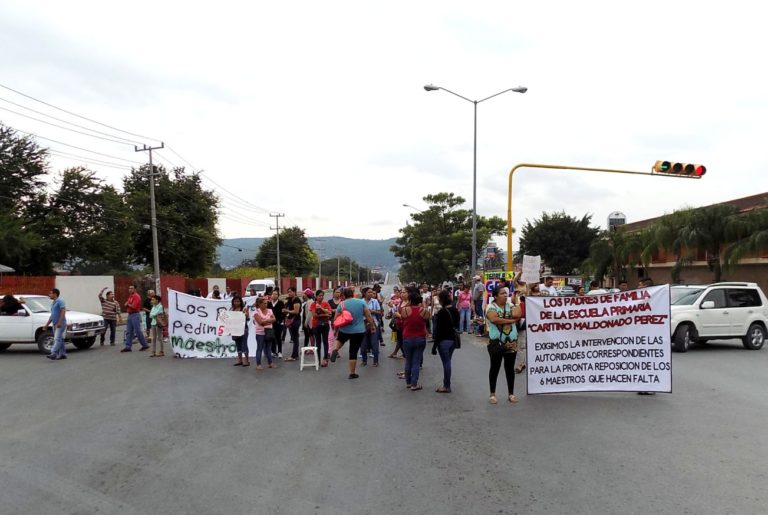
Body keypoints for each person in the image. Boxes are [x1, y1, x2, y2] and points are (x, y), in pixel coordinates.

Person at [485, 286, 521, 405]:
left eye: (506, 293)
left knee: (509, 369)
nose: (505, 295)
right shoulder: (491, 307)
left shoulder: (510, 305)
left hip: (511, 342)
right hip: (496, 343)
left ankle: (511, 393)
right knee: (495, 368)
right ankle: (492, 394)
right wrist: (511, 321)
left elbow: (518, 314)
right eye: (502, 294)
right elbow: (494, 319)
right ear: (495, 296)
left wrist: (515, 302)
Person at [330, 287, 375, 379]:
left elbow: (336, 319)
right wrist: (372, 326)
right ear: (353, 293)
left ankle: (335, 350)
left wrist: (335, 330)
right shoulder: (361, 302)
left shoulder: (341, 304)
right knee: (353, 351)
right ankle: (352, 373)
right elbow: (368, 315)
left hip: (344, 330)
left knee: (339, 340)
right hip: (359, 331)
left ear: (343, 295)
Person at [397, 286, 430, 390]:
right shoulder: (424, 311)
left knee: (408, 361)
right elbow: (427, 320)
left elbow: (402, 320)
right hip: (420, 338)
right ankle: (414, 384)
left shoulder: (405, 310)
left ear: (410, 300)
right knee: (416, 362)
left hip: (407, 338)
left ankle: (408, 382)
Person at [432, 289, 460, 393]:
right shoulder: (455, 310)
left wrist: (434, 346)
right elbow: (457, 325)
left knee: (446, 363)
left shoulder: (441, 313)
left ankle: (446, 386)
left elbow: (438, 331)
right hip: (452, 340)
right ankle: (446, 384)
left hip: (443, 341)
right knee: (448, 362)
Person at [122, 285, 149, 352]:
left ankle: (145, 345)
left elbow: (133, 306)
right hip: (130, 314)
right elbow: (126, 304)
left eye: (132, 288)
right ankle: (128, 347)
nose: (130, 289)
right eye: (129, 288)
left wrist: (128, 304)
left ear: (135, 289)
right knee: (128, 331)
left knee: (138, 331)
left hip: (135, 314)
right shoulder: (130, 296)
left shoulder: (136, 296)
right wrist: (128, 304)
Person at [360, 288, 382, 366]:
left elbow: (380, 312)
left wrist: (372, 311)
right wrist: (365, 312)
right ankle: (364, 361)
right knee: (363, 345)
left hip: (374, 324)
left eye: (372, 292)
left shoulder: (375, 301)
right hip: (363, 324)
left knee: (374, 344)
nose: (371, 294)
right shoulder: (360, 302)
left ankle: (375, 362)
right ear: (364, 293)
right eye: (369, 292)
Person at [253, 296, 276, 369]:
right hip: (260, 333)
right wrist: (269, 321)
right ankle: (258, 364)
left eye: (266, 303)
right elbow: (260, 322)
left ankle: (270, 363)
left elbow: (274, 319)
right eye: (264, 303)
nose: (266, 305)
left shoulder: (270, 310)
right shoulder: (256, 312)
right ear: (259, 304)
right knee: (259, 348)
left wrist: (264, 322)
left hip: (269, 331)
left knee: (268, 348)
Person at [44, 288, 67, 360]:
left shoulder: (60, 301)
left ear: (55, 294)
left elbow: (63, 312)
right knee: (60, 339)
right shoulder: (53, 302)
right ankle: (62, 354)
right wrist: (47, 324)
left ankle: (53, 353)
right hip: (55, 323)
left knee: (57, 339)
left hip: (60, 323)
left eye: (50, 293)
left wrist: (60, 322)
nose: (49, 295)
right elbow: (52, 315)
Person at [310, 290, 331, 367]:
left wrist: (321, 309)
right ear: (316, 296)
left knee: (325, 341)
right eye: (319, 295)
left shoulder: (326, 303)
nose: (321, 297)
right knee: (318, 342)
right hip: (316, 325)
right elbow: (314, 314)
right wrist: (324, 313)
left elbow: (329, 313)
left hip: (325, 325)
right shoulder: (313, 304)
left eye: (322, 295)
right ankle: (317, 360)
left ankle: (325, 359)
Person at [282, 288, 302, 361]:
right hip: (290, 320)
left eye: (290, 292)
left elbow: (296, 311)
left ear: (294, 292)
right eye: (288, 292)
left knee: (295, 338)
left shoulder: (297, 300)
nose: (289, 293)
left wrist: (287, 311)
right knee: (294, 338)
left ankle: (294, 355)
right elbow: (285, 306)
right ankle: (295, 355)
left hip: (295, 321)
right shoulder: (290, 299)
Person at [230, 295, 250, 366]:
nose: (236, 303)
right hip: (235, 330)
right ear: (233, 302)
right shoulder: (232, 310)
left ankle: (246, 361)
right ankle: (240, 360)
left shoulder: (244, 309)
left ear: (240, 302)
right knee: (238, 345)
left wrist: (246, 314)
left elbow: (248, 319)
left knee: (244, 345)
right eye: (235, 301)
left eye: (238, 301)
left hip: (244, 329)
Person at [268, 290, 285, 358]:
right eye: (273, 294)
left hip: (278, 323)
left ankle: (280, 351)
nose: (274, 295)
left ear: (278, 295)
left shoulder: (281, 303)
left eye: (276, 294)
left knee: (278, 338)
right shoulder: (269, 303)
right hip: (271, 323)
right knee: (272, 337)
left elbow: (283, 313)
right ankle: (273, 351)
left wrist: (281, 320)